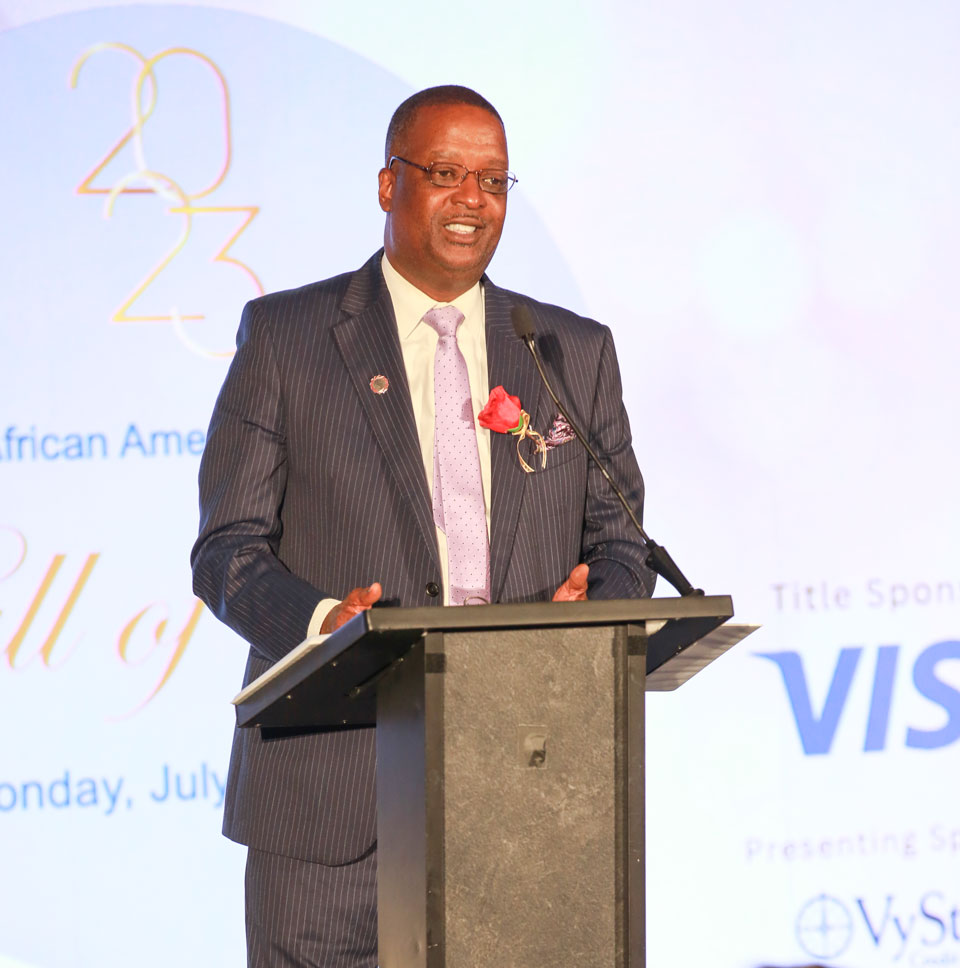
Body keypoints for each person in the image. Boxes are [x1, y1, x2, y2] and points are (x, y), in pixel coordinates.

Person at [191, 84, 655, 968]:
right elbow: (228, 553)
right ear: (387, 184)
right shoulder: (289, 338)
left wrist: (594, 613)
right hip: (334, 807)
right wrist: (329, 625)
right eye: (446, 173)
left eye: (493, 180)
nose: (472, 201)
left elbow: (621, 541)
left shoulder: (566, 349)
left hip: (532, 791)